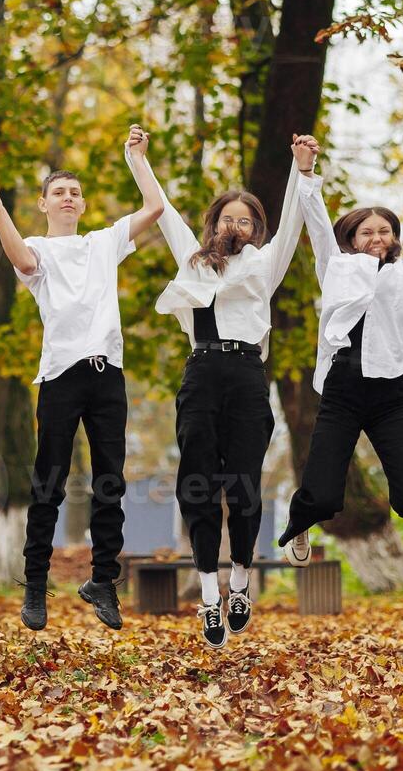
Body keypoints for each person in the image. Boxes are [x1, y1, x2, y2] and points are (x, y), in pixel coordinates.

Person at [0, 126, 164, 632]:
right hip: (61, 376)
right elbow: (18, 257)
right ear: (42, 203)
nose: (68, 197)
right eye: (58, 192)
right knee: (50, 482)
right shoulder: (37, 248)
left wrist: (136, 158)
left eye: (74, 192)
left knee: (110, 481)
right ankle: (35, 585)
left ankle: (103, 580)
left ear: (82, 205)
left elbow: (155, 210)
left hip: (108, 377)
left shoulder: (104, 243)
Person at [131, 136, 314, 648]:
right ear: (215, 226)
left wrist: (301, 169)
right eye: (227, 219)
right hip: (202, 374)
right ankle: (209, 595)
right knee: (198, 483)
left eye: (245, 221)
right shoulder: (193, 262)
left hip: (247, 377)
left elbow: (296, 217)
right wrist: (139, 158)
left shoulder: (265, 264)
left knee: (244, 486)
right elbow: (163, 211)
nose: (235, 227)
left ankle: (240, 583)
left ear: (256, 229)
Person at [276, 137, 403, 577]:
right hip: (341, 387)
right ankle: (301, 524)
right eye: (366, 232)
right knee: (324, 494)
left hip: (390, 389)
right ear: (352, 239)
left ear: (394, 238)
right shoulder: (335, 265)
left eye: (384, 231)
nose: (376, 238)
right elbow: (315, 222)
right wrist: (305, 171)